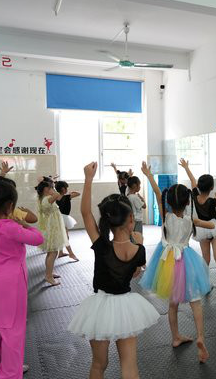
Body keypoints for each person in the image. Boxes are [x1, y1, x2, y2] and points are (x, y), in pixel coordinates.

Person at [68, 162, 159, 379]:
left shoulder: (102, 245)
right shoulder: (138, 249)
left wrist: (88, 179)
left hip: (100, 307)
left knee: (99, 364)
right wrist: (137, 241)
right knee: (129, 365)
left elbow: (85, 213)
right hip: (126, 307)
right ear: (131, 219)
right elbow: (135, 272)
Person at [0, 154, 44, 379]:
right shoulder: (11, 227)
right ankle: (10, 373)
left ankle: (2, 369)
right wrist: (24, 224)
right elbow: (38, 238)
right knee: (13, 331)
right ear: (11, 206)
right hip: (11, 284)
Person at [139, 162, 213, 363]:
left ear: (169, 202)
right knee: (195, 300)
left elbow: (157, 192)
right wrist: (212, 224)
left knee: (173, 304)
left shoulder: (166, 216)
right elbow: (209, 224)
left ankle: (175, 337)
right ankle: (200, 336)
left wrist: (149, 175)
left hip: (167, 262)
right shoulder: (190, 220)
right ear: (188, 202)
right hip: (186, 260)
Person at [179, 158, 216, 300]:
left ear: (199, 186)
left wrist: (186, 167)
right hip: (214, 228)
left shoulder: (195, 196)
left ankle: (204, 284)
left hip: (202, 228)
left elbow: (192, 180)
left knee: (205, 259)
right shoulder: (212, 201)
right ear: (211, 188)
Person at [36, 179, 67, 286]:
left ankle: (49, 272)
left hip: (52, 227)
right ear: (45, 189)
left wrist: (51, 187)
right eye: (49, 187)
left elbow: (59, 197)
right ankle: (48, 276)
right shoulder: (47, 198)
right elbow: (58, 195)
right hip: (52, 229)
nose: (52, 189)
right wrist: (53, 188)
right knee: (53, 252)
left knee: (51, 252)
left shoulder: (44, 198)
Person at [55, 180, 80, 261]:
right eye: (66, 188)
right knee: (65, 236)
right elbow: (78, 193)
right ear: (63, 189)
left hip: (59, 217)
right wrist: (72, 192)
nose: (67, 189)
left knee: (63, 235)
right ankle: (71, 254)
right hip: (63, 218)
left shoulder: (56, 197)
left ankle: (60, 252)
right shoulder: (67, 197)